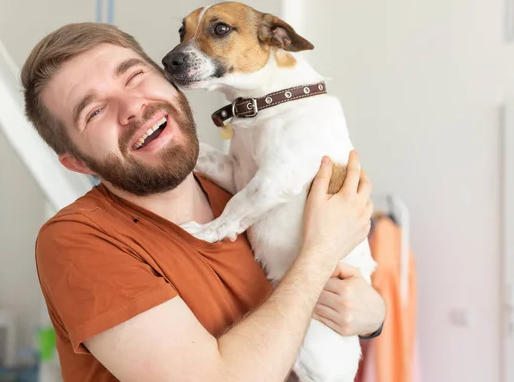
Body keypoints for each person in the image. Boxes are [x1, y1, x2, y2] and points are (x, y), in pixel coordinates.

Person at [21, 22, 385, 382]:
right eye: (94, 111)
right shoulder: (80, 242)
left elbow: (346, 302)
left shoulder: (245, 190)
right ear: (78, 163)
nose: (131, 106)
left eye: (134, 77)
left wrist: (371, 317)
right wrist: (320, 252)